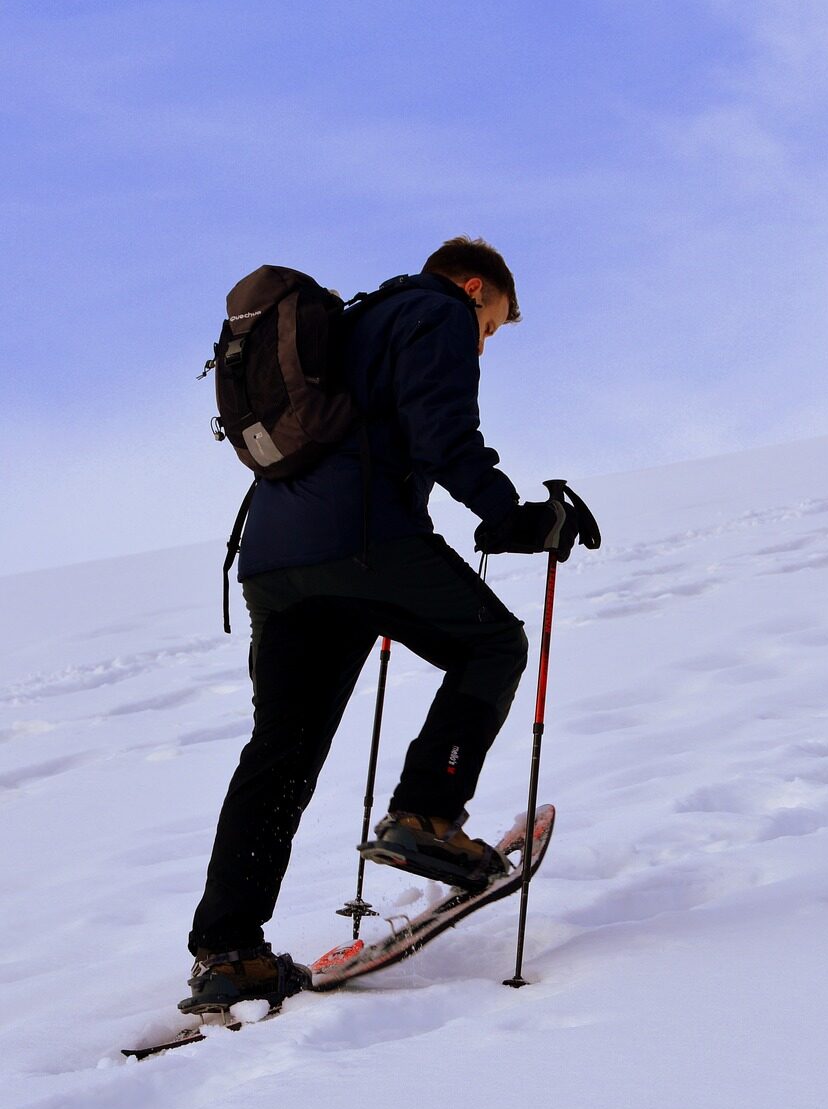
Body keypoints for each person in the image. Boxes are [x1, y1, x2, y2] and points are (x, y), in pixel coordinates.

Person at [180, 237, 580, 1015]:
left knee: (282, 754)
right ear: (474, 289)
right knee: (493, 643)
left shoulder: (353, 322)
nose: (482, 343)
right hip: (362, 542)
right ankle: (426, 813)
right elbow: (442, 433)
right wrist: (514, 518)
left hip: (272, 564)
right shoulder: (437, 310)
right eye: (490, 327)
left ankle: (228, 952)